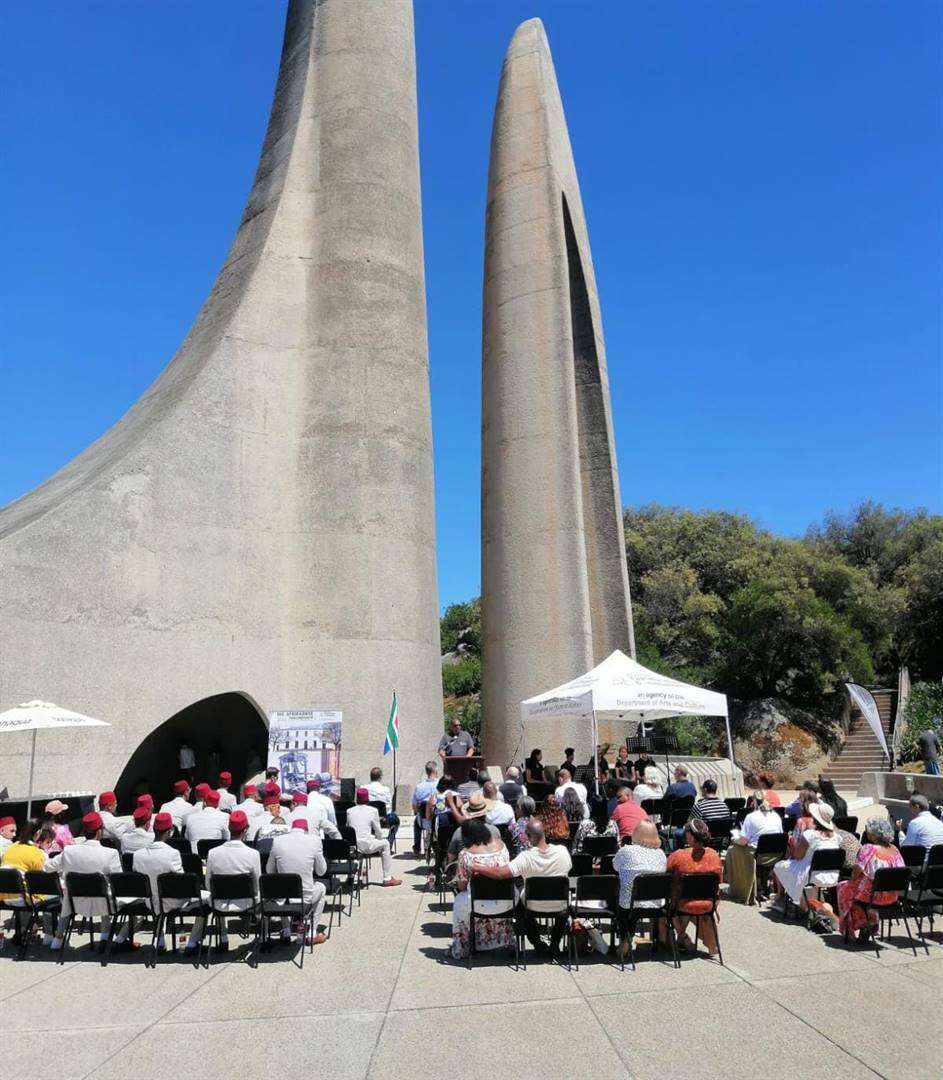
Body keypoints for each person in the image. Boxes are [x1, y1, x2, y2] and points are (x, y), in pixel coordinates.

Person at [474, 819, 572, 956]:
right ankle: (555, 943)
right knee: (564, 911)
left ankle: (537, 943)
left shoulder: (526, 857)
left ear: (528, 836)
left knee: (519, 904)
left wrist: (477, 867)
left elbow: (500, 873)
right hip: (560, 904)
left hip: (533, 906)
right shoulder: (563, 852)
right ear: (544, 833)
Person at [817, 817, 904, 942]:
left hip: (872, 896)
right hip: (892, 896)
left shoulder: (868, 848)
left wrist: (853, 879)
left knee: (843, 888)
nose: (866, 832)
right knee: (855, 890)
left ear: (874, 834)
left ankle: (858, 926)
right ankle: (870, 921)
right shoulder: (895, 850)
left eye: (868, 830)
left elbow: (856, 872)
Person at [49, 812, 122, 952]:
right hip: (103, 904)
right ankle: (105, 937)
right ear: (99, 831)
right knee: (106, 888)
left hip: (75, 903)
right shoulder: (110, 853)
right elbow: (117, 880)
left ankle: (57, 940)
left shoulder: (69, 851)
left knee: (70, 896)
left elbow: (48, 866)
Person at [133, 812, 204, 956]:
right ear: (170, 832)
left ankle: (160, 941)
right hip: (172, 901)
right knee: (206, 900)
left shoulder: (138, 855)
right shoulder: (173, 854)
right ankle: (191, 943)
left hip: (150, 902)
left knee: (157, 896)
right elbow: (180, 881)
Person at [450, 818, 513, 960]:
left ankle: (461, 948)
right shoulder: (502, 846)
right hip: (507, 901)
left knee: (460, 900)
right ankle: (501, 940)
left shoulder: (466, 855)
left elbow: (461, 886)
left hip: (480, 904)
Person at [205, 811, 261, 953]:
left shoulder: (212, 852)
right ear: (246, 829)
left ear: (229, 829)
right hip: (247, 904)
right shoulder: (253, 854)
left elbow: (208, 885)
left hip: (219, 904)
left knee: (214, 894)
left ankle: (223, 938)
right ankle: (263, 936)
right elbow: (256, 886)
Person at [771, 801, 840, 914]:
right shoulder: (837, 837)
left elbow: (798, 856)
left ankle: (781, 898)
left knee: (779, 866)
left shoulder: (809, 835)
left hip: (810, 872)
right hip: (832, 874)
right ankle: (813, 904)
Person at [266, 819, 328, 947]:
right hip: (305, 897)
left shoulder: (277, 841)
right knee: (321, 887)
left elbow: (269, 870)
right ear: (306, 830)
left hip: (283, 899)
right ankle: (312, 933)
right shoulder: (315, 841)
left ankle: (287, 930)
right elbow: (321, 872)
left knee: (282, 887)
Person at [666, 820, 722, 955]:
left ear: (690, 836)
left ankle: (681, 936)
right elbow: (719, 881)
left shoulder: (678, 856)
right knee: (690, 898)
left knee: (670, 901)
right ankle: (689, 940)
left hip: (682, 904)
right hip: (708, 904)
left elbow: (667, 875)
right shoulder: (714, 855)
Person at [613, 819, 668, 949]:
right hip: (655, 902)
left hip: (629, 903)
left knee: (622, 899)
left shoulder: (627, 851)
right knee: (635, 901)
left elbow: (615, 866)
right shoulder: (661, 854)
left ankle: (625, 938)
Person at [724, 792, 783, 904]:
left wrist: (735, 839)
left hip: (757, 855)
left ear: (753, 802)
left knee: (732, 850)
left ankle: (736, 887)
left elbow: (743, 841)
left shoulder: (751, 817)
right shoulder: (776, 816)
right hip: (776, 854)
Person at [1, 820, 49, 945]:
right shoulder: (36, 853)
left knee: (23, 890)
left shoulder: (10, 848)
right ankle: (50, 934)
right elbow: (43, 878)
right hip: (22, 897)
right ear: (37, 834)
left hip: (4, 896)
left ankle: (22, 932)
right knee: (51, 896)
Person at [346, 787, 402, 886]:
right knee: (385, 843)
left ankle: (351, 876)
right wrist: (377, 839)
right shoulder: (373, 811)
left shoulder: (349, 811)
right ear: (367, 799)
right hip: (366, 845)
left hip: (354, 846)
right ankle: (387, 878)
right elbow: (378, 831)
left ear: (356, 799)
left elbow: (348, 828)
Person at [184, 789, 230, 853]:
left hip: (195, 859)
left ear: (204, 803)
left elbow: (187, 838)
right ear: (217, 805)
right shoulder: (225, 817)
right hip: (215, 858)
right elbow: (227, 839)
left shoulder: (190, 818)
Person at [411, 761, 439, 854]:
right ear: (436, 770)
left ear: (426, 772)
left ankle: (417, 848)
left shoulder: (419, 787)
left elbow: (414, 806)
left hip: (423, 820)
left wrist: (417, 813)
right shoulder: (440, 785)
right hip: (437, 820)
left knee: (416, 823)